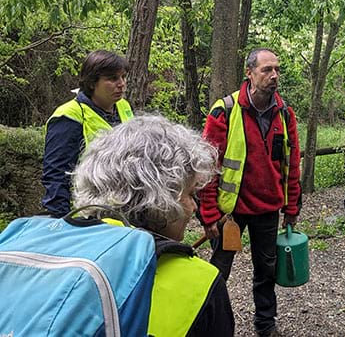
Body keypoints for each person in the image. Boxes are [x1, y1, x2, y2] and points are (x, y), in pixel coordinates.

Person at [73, 115, 235, 336]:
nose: (194, 207)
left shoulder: (61, 252)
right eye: (189, 195)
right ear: (160, 199)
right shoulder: (201, 282)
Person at [199, 48, 302, 337]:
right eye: (266, 70)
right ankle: (207, 324)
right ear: (249, 73)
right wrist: (209, 215)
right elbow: (208, 166)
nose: (274, 76)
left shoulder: (285, 114)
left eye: (277, 70)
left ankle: (265, 325)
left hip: (268, 210)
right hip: (229, 212)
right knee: (219, 272)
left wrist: (291, 208)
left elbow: (292, 166)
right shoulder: (225, 111)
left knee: (266, 272)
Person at [41, 50, 133, 217]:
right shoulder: (68, 116)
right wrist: (63, 222)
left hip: (122, 209)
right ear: (92, 83)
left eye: (123, 77)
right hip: (86, 213)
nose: (121, 84)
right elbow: (56, 176)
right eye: (112, 79)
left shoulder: (123, 106)